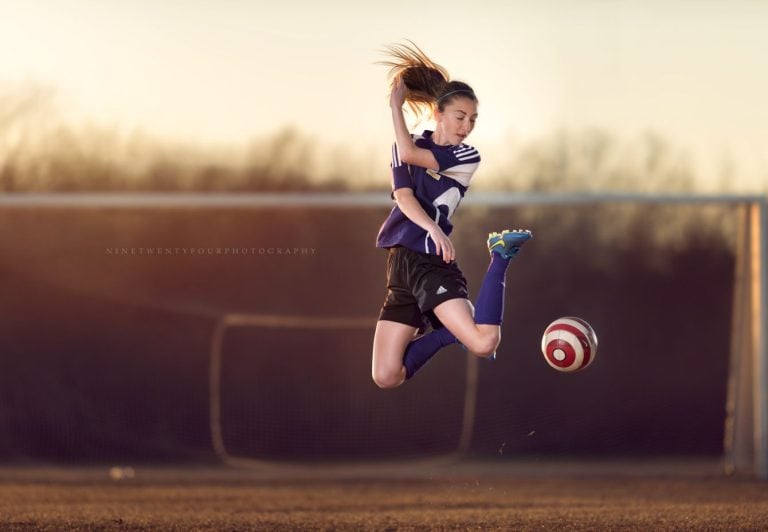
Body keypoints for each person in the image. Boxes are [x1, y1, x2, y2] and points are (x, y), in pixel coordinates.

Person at [372, 42, 532, 389]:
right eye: (460, 117)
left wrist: (395, 108)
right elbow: (403, 196)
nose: (466, 126)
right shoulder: (406, 144)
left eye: (473, 120)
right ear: (438, 113)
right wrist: (431, 227)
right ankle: (447, 335)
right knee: (386, 376)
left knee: (484, 342)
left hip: (432, 264)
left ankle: (501, 255)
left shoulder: (466, 155)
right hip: (400, 268)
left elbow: (414, 155)